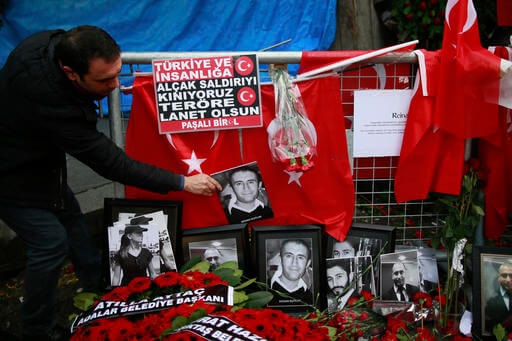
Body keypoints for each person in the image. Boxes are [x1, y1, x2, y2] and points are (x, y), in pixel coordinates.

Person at [0, 25, 221, 340]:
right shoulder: (49, 101)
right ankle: (37, 329)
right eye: (104, 80)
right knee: (50, 244)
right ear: (71, 73)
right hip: (9, 173)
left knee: (73, 221)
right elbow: (112, 163)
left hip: (42, 163)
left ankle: (99, 287)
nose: (116, 85)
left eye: (117, 73)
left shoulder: (51, 43)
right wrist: (182, 182)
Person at [270, 239, 313, 305]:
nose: (294, 263)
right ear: (280, 259)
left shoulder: (312, 298)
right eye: (289, 256)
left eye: (300, 257)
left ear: (307, 263)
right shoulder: (264, 288)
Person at [486, 260, 512, 333]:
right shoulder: (490, 303)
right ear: (498, 278)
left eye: (511, 275)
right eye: (504, 275)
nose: (508, 279)